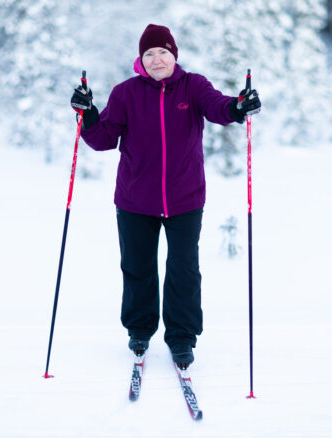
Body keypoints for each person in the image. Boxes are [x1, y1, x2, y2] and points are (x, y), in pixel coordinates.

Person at [70, 24, 261, 367]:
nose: (157, 59)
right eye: (149, 54)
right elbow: (102, 139)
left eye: (163, 52)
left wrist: (238, 107)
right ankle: (140, 330)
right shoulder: (125, 93)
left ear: (174, 55)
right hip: (134, 199)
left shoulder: (194, 86)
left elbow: (219, 108)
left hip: (185, 197)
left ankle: (182, 337)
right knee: (137, 267)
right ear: (140, 59)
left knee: (183, 269)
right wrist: (89, 115)